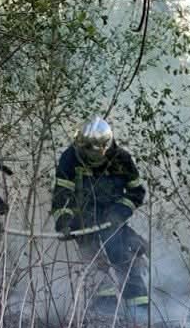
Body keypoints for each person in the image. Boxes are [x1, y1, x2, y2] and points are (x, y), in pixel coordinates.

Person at [51, 116, 149, 312]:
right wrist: (64, 221)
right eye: (82, 148)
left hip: (113, 220)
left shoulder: (121, 160)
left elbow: (136, 192)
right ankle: (106, 312)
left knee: (122, 256)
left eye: (89, 150)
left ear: (103, 148)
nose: (83, 153)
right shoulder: (70, 158)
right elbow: (62, 194)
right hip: (83, 221)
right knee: (95, 264)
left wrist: (118, 213)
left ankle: (140, 311)